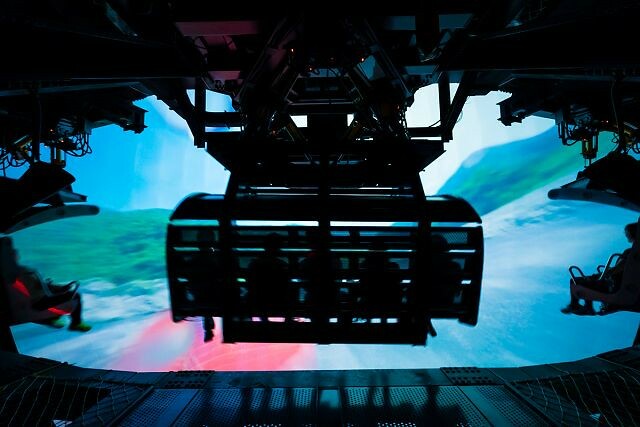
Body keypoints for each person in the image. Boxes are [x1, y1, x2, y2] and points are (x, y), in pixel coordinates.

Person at [561, 221, 638, 315]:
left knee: (577, 281)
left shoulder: (631, 253)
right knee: (584, 281)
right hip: (617, 282)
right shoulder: (632, 253)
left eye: (627, 232)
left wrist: (601, 275)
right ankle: (586, 307)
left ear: (632, 233)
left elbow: (618, 269)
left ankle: (579, 306)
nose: (625, 234)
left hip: (614, 285)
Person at [12, 246, 91, 332]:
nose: (18, 255)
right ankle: (76, 323)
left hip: (35, 300)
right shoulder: (23, 271)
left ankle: (51, 319)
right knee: (76, 296)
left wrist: (60, 288)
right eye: (14, 253)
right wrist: (59, 288)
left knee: (61, 295)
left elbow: (39, 286)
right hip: (40, 302)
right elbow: (39, 287)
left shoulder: (12, 274)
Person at [247, 233, 290, 320]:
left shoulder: (255, 264)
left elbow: (250, 284)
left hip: (258, 301)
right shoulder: (281, 265)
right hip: (277, 301)